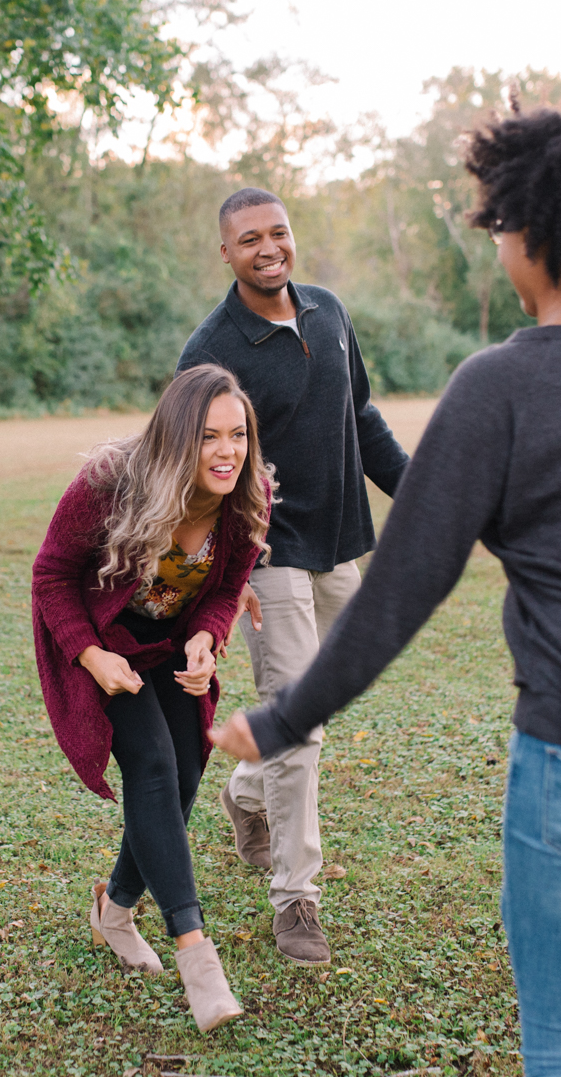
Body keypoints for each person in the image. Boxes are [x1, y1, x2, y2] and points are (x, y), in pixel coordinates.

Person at [210, 99, 561, 1077]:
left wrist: (282, 715)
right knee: (556, 912)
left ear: (533, 238)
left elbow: (402, 591)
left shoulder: (498, 387)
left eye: (501, 225)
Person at [175, 187, 410, 967]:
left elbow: (363, 418)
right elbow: (189, 469)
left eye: (278, 233)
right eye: (250, 239)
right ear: (227, 253)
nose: (268, 248)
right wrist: (221, 570)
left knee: (330, 691)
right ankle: (296, 899)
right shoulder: (212, 352)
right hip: (266, 558)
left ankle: (246, 793)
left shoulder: (328, 313)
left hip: (342, 545)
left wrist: (418, 495)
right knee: (297, 723)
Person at [30, 363, 273, 1034]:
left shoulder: (248, 494)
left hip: (167, 646)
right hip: (102, 638)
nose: (228, 452)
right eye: (209, 437)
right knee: (152, 766)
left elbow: (227, 587)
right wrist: (89, 652)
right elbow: (51, 571)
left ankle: (114, 906)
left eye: (239, 435)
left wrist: (206, 637)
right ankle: (197, 956)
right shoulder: (111, 483)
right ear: (175, 438)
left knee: (186, 774)